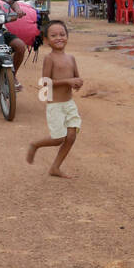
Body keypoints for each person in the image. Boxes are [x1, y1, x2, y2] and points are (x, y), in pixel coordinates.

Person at [26, 20, 83, 178]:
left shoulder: (71, 58)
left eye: (62, 34)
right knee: (58, 138)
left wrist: (78, 82)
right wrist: (67, 82)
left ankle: (55, 168)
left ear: (67, 36)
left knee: (71, 136)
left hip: (69, 104)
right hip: (55, 105)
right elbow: (45, 82)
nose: (59, 37)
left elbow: (76, 76)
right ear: (46, 40)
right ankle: (35, 144)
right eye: (54, 35)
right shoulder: (49, 58)